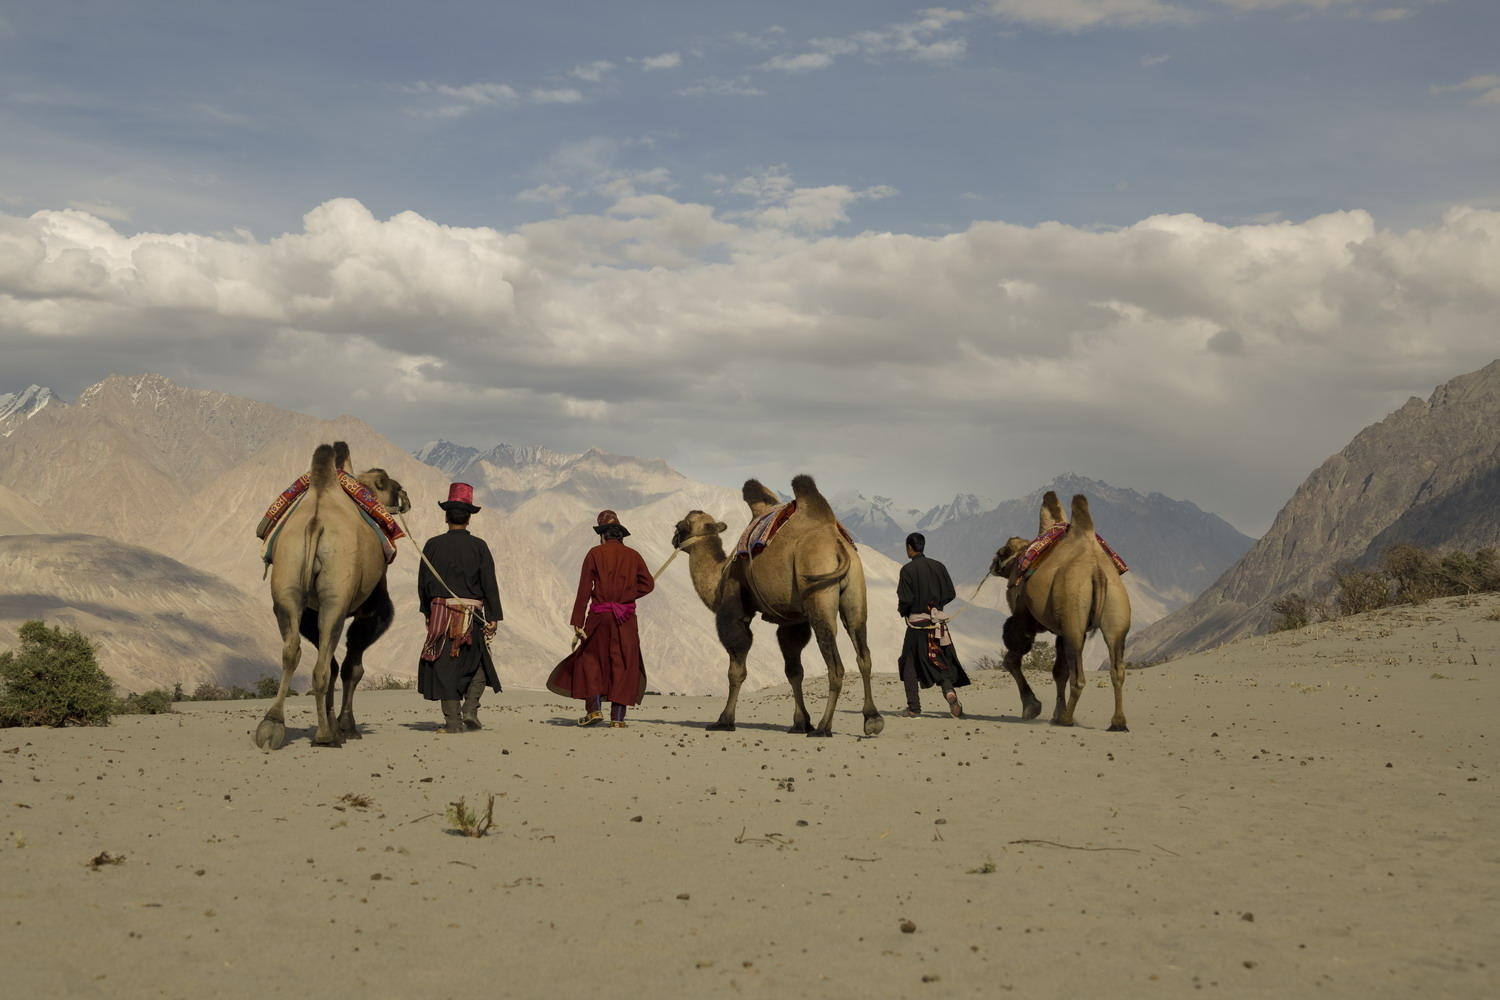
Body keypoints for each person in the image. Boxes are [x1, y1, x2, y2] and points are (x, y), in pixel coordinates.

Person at [546, 510, 655, 728]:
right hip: (625, 618)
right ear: (620, 535)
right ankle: (618, 719)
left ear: (602, 535)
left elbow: (584, 589)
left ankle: (594, 709)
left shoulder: (595, 553)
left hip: (598, 616)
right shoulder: (634, 556)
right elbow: (648, 584)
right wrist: (627, 594)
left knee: (590, 660)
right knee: (624, 662)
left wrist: (577, 620)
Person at [417, 483, 502, 734]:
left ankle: (453, 722)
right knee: (477, 665)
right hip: (472, 617)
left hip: (441, 616)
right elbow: (489, 584)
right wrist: (493, 616)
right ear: (469, 518)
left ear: (446, 516)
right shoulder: (480, 546)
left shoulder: (432, 545)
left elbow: (423, 583)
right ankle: (470, 709)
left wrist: (428, 612)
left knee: (444, 668)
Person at [896, 531, 970, 718]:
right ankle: (949, 693)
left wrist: (904, 611)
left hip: (917, 625)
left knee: (909, 664)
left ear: (909, 548)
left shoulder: (907, 570)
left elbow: (906, 599)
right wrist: (936, 608)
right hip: (937, 624)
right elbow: (950, 593)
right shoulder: (939, 566)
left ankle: (914, 708)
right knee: (939, 661)